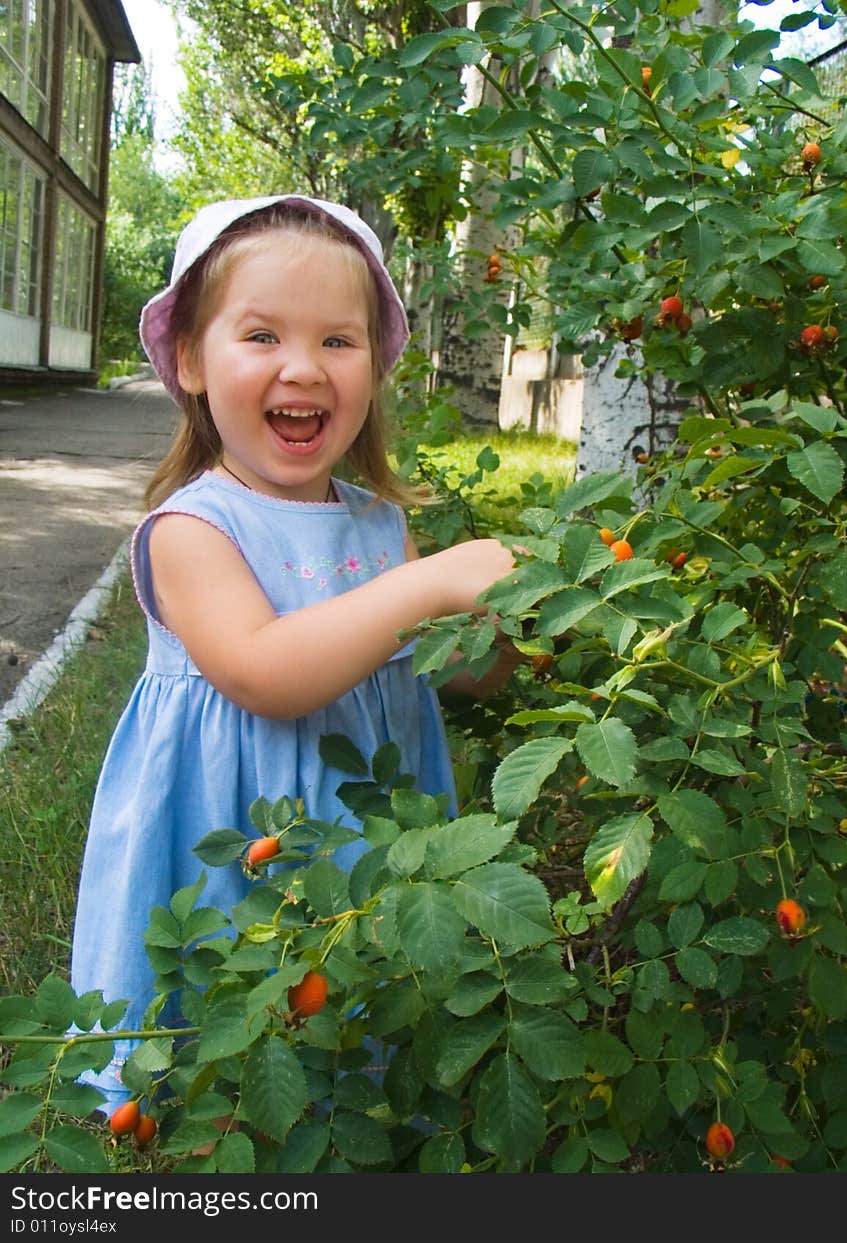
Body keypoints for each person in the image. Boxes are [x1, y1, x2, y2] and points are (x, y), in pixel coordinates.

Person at [69, 194, 520, 1115]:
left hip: (365, 852)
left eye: (337, 342)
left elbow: (447, 670)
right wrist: (429, 584)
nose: (303, 368)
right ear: (192, 359)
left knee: (354, 1051)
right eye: (263, 335)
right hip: (228, 852)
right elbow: (267, 673)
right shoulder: (190, 529)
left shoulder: (379, 526)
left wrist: (511, 626)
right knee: (225, 1052)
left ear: (374, 366)